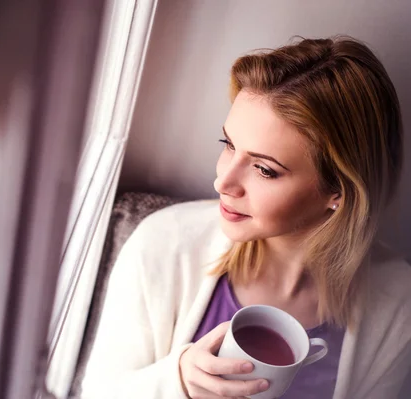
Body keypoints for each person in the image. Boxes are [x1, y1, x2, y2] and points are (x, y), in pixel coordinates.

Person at [80, 35, 411, 398]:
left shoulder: (399, 304)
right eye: (229, 145)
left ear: (340, 192)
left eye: (265, 169)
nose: (223, 181)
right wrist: (177, 382)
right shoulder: (162, 245)